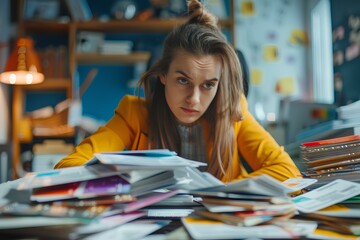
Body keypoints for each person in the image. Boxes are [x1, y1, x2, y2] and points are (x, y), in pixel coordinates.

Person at [55, 0, 300, 183]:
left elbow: (288, 172)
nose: (194, 99)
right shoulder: (134, 113)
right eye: (183, 81)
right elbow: (68, 169)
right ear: (163, 74)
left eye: (208, 85)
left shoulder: (233, 112)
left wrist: (216, 192)